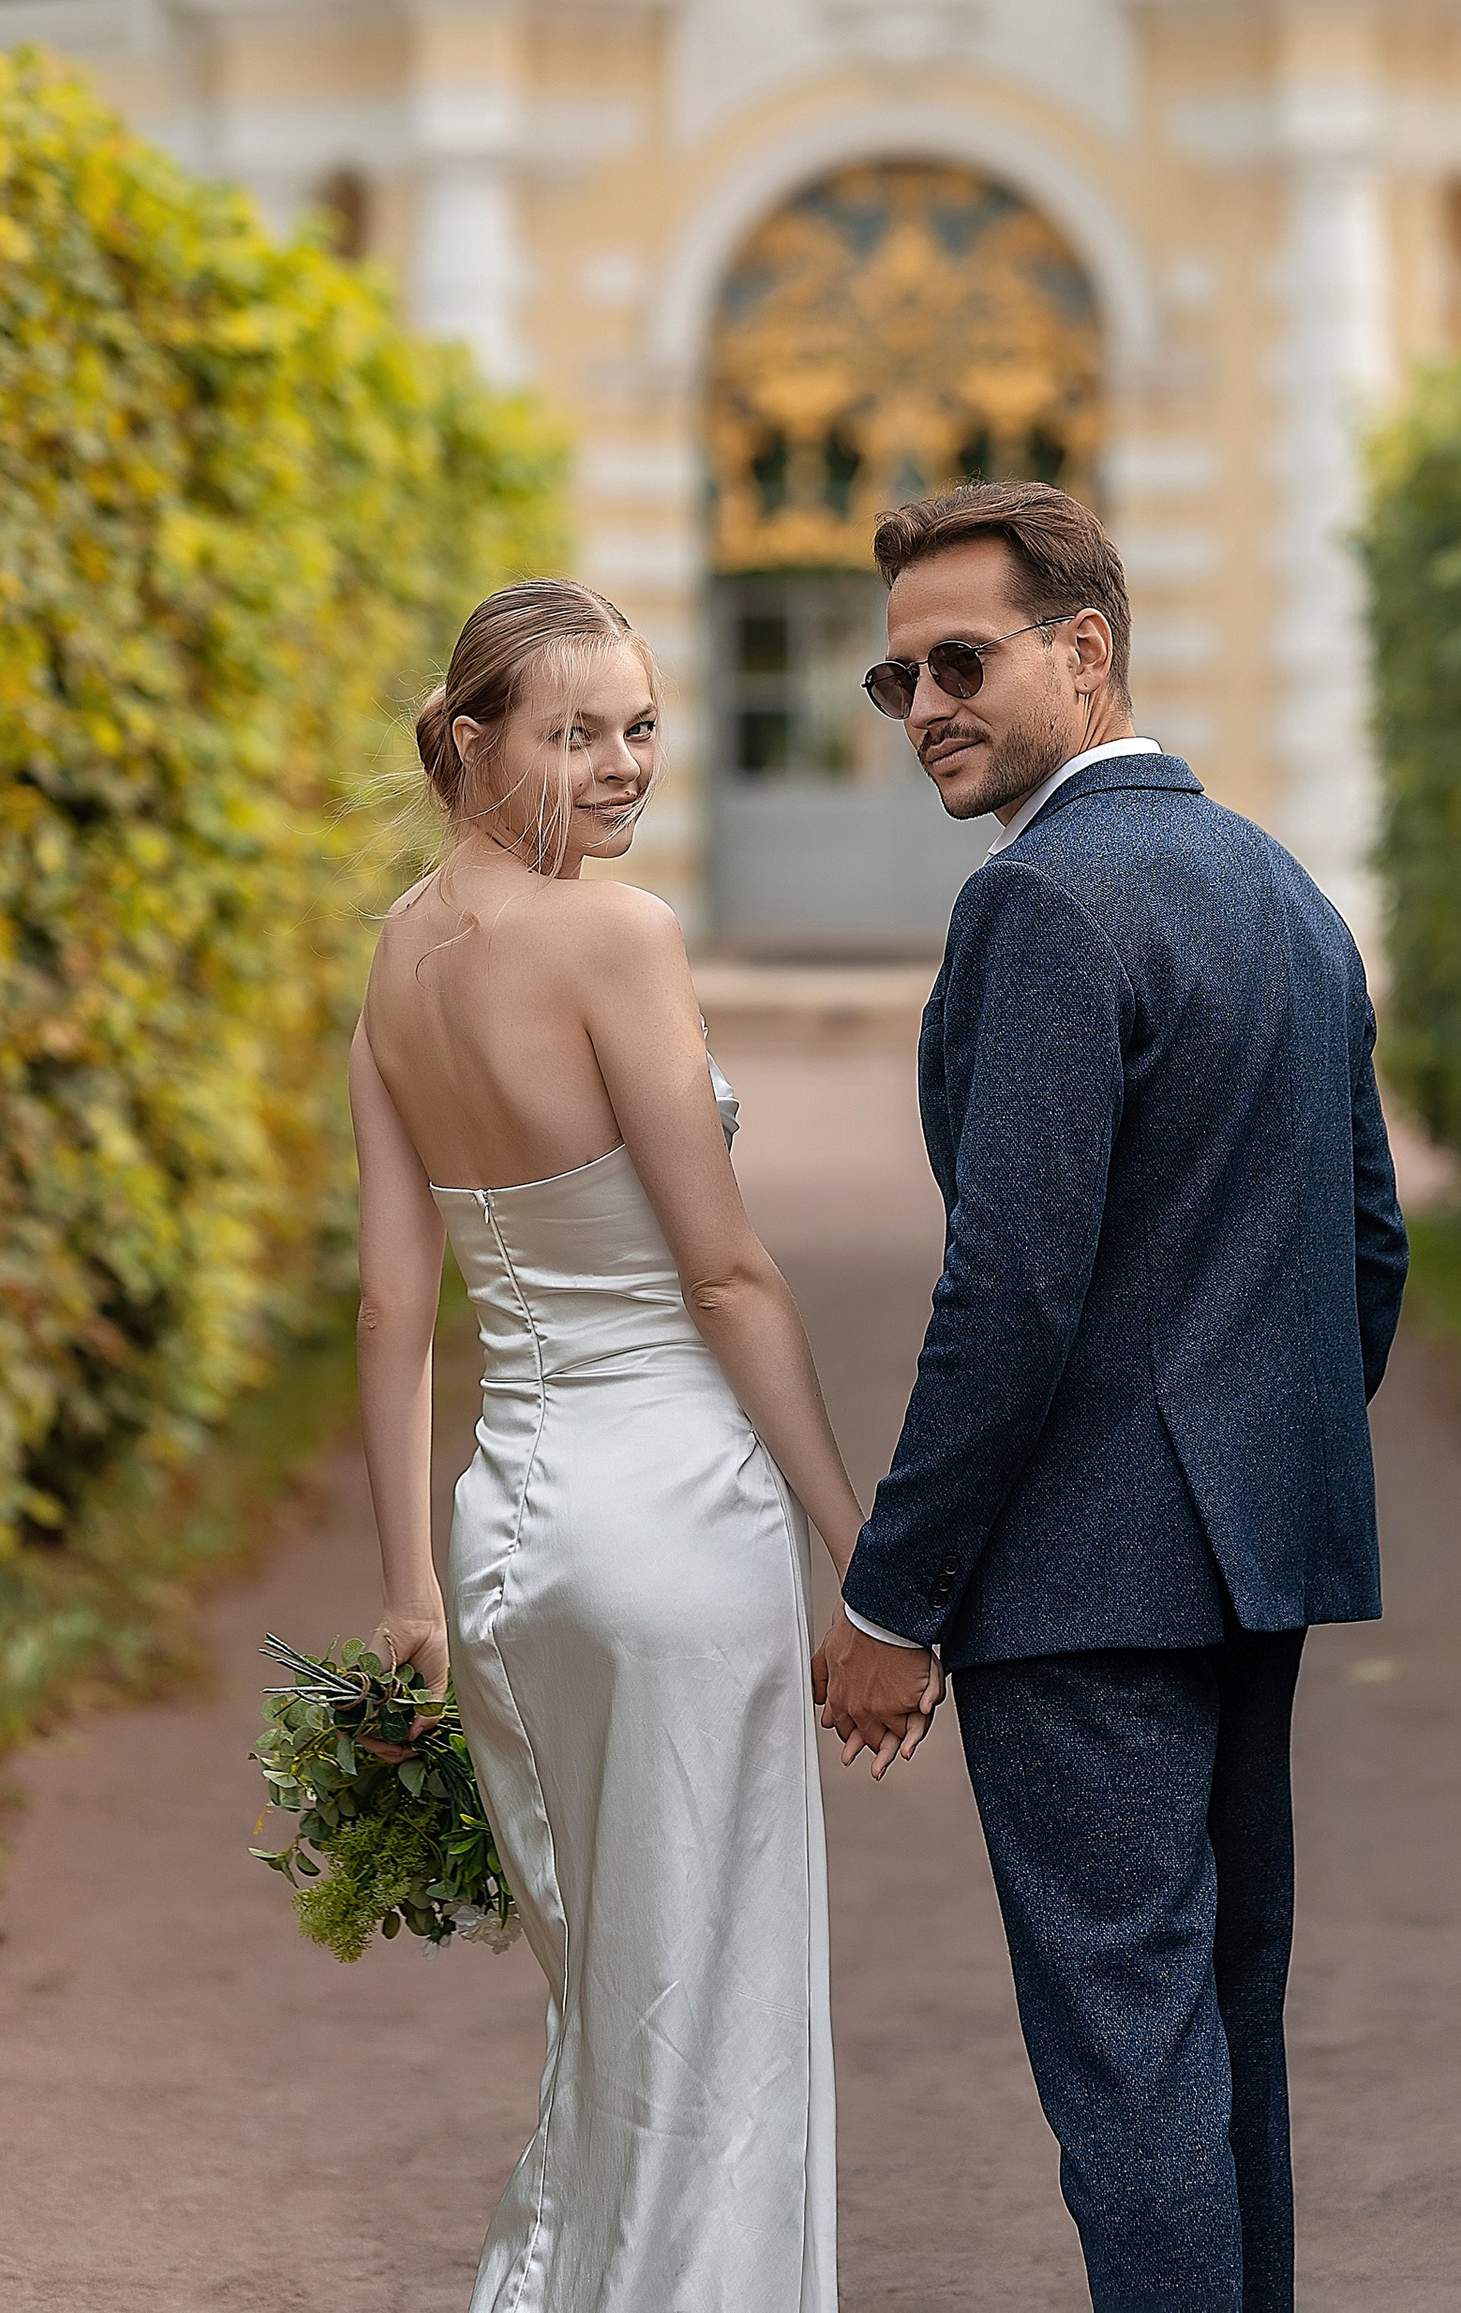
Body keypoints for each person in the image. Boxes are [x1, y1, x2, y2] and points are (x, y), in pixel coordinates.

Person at [816, 484, 1407, 2313]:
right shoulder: (1283, 889)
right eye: (894, 673)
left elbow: (1010, 1295)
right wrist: (1252, 1449)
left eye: (962, 659)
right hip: (1257, 1556)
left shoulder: (1044, 906)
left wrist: (892, 1600)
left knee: (1132, 2054)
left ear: (1086, 651)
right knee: (1220, 2021)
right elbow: (1366, 1251)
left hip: (1084, 1589)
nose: (924, 703)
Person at [351, 578, 898, 2313]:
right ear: (475, 741)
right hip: (672, 1531)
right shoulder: (620, 941)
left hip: (512, 1538)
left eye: (642, 725)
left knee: (610, 2013)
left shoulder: (395, 956)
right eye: (575, 731)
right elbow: (728, 1274)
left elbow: (392, 1311)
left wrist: (410, 1590)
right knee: (712, 2016)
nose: (623, 764)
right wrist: (864, 1562)